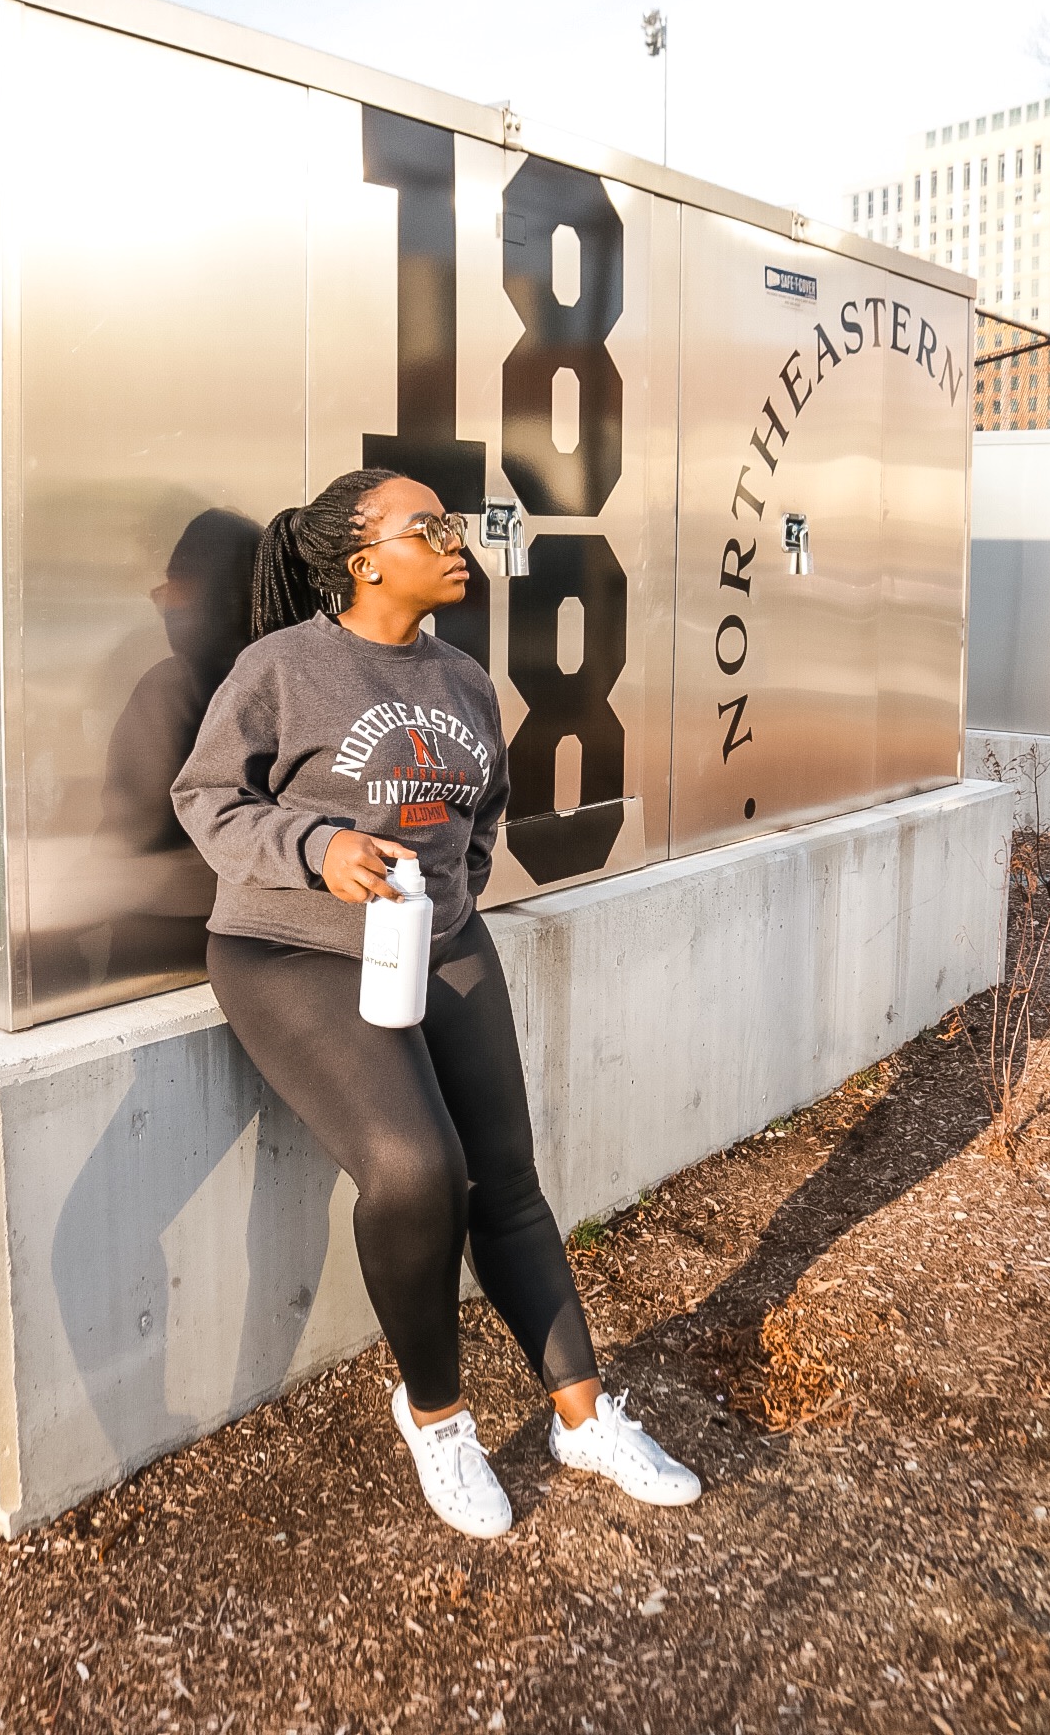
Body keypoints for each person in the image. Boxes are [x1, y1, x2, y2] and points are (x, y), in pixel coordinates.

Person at [171, 467, 700, 1538]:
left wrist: (442, 897)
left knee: (506, 1180)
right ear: (363, 557)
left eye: (453, 526)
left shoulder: (461, 677)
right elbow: (205, 798)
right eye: (429, 527)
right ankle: (438, 1420)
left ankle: (581, 1417)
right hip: (295, 947)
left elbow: (483, 815)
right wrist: (318, 850)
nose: (456, 542)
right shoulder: (282, 667)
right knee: (417, 1171)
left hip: (441, 939)